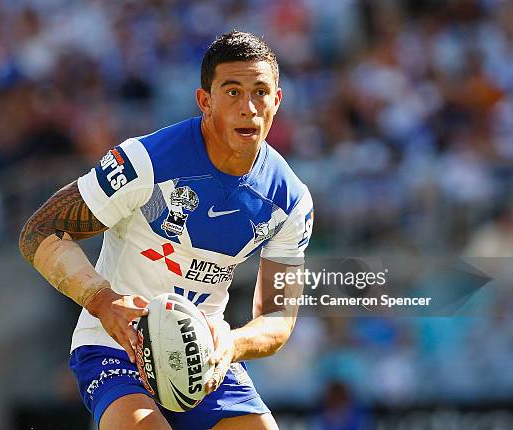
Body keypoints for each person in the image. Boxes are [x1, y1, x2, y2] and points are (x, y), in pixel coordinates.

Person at [19, 30, 314, 430]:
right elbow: (40, 231)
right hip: (117, 347)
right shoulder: (145, 162)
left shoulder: (290, 199)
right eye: (232, 92)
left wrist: (231, 343)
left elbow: (279, 318)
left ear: (276, 101)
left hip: (203, 358)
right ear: (204, 101)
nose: (248, 107)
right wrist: (102, 299)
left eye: (260, 92)